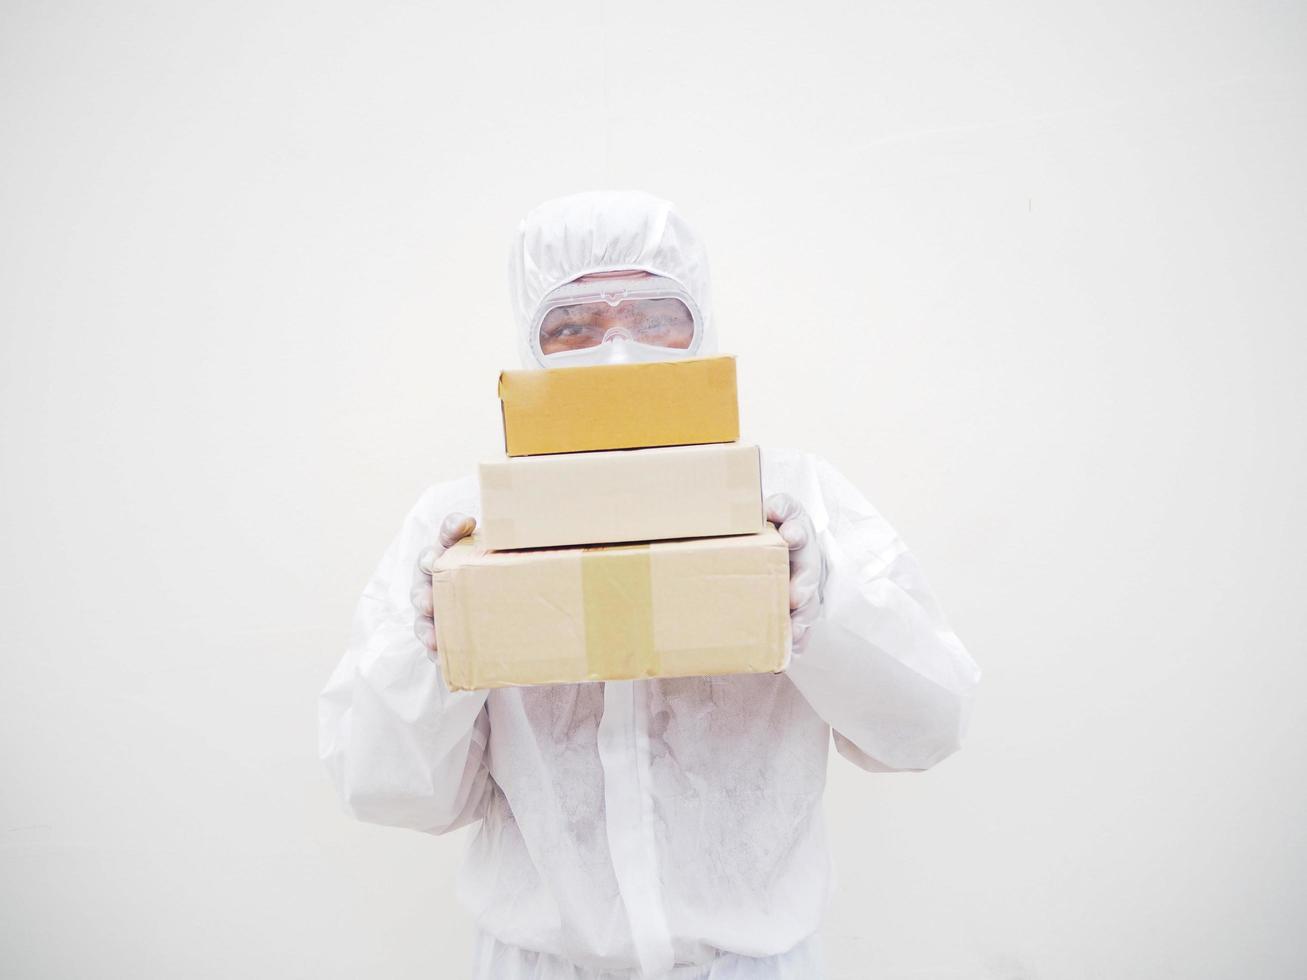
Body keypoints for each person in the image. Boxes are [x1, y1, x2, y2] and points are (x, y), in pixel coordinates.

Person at [319, 191, 981, 979]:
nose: (617, 352)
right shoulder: (463, 528)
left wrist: (822, 605)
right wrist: (437, 653)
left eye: (654, 317)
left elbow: (925, 728)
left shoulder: (793, 505)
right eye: (573, 327)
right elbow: (391, 791)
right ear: (531, 344)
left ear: (698, 326)